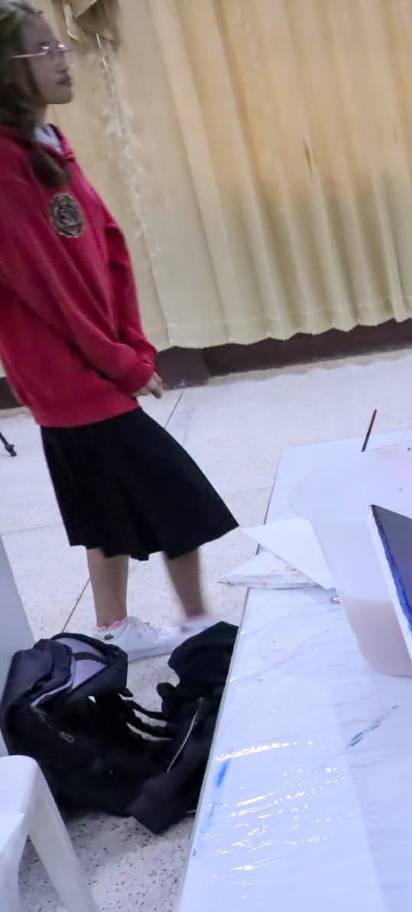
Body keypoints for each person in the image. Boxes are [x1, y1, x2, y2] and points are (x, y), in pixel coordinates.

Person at [0, 2, 235, 662]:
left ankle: (112, 628)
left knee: (105, 506)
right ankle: (199, 623)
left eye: (58, 46)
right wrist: (122, 363)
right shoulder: (6, 165)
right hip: (71, 377)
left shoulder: (46, 144)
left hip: (88, 368)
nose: (62, 59)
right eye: (44, 50)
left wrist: (133, 343)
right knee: (176, 497)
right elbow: (51, 290)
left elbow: (104, 250)